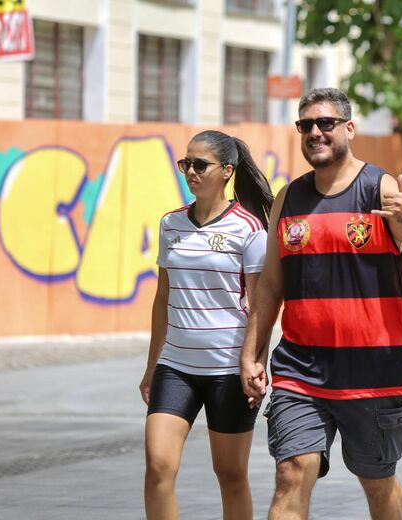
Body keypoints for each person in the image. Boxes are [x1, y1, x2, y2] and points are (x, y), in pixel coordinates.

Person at [239, 88, 402, 520]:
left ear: (349, 129)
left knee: (378, 483)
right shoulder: (289, 198)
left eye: (326, 124)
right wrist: (252, 353)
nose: (315, 133)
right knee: (291, 473)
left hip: (376, 373)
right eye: (306, 125)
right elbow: (270, 287)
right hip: (302, 370)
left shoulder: (381, 189)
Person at [139, 130, 273, 520]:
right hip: (175, 367)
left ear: (227, 171)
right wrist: (151, 367)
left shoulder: (248, 228)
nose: (190, 172)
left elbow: (261, 305)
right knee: (158, 467)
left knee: (230, 475)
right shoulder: (171, 224)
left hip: (228, 370)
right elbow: (162, 299)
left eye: (200, 165)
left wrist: (255, 363)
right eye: (186, 164)